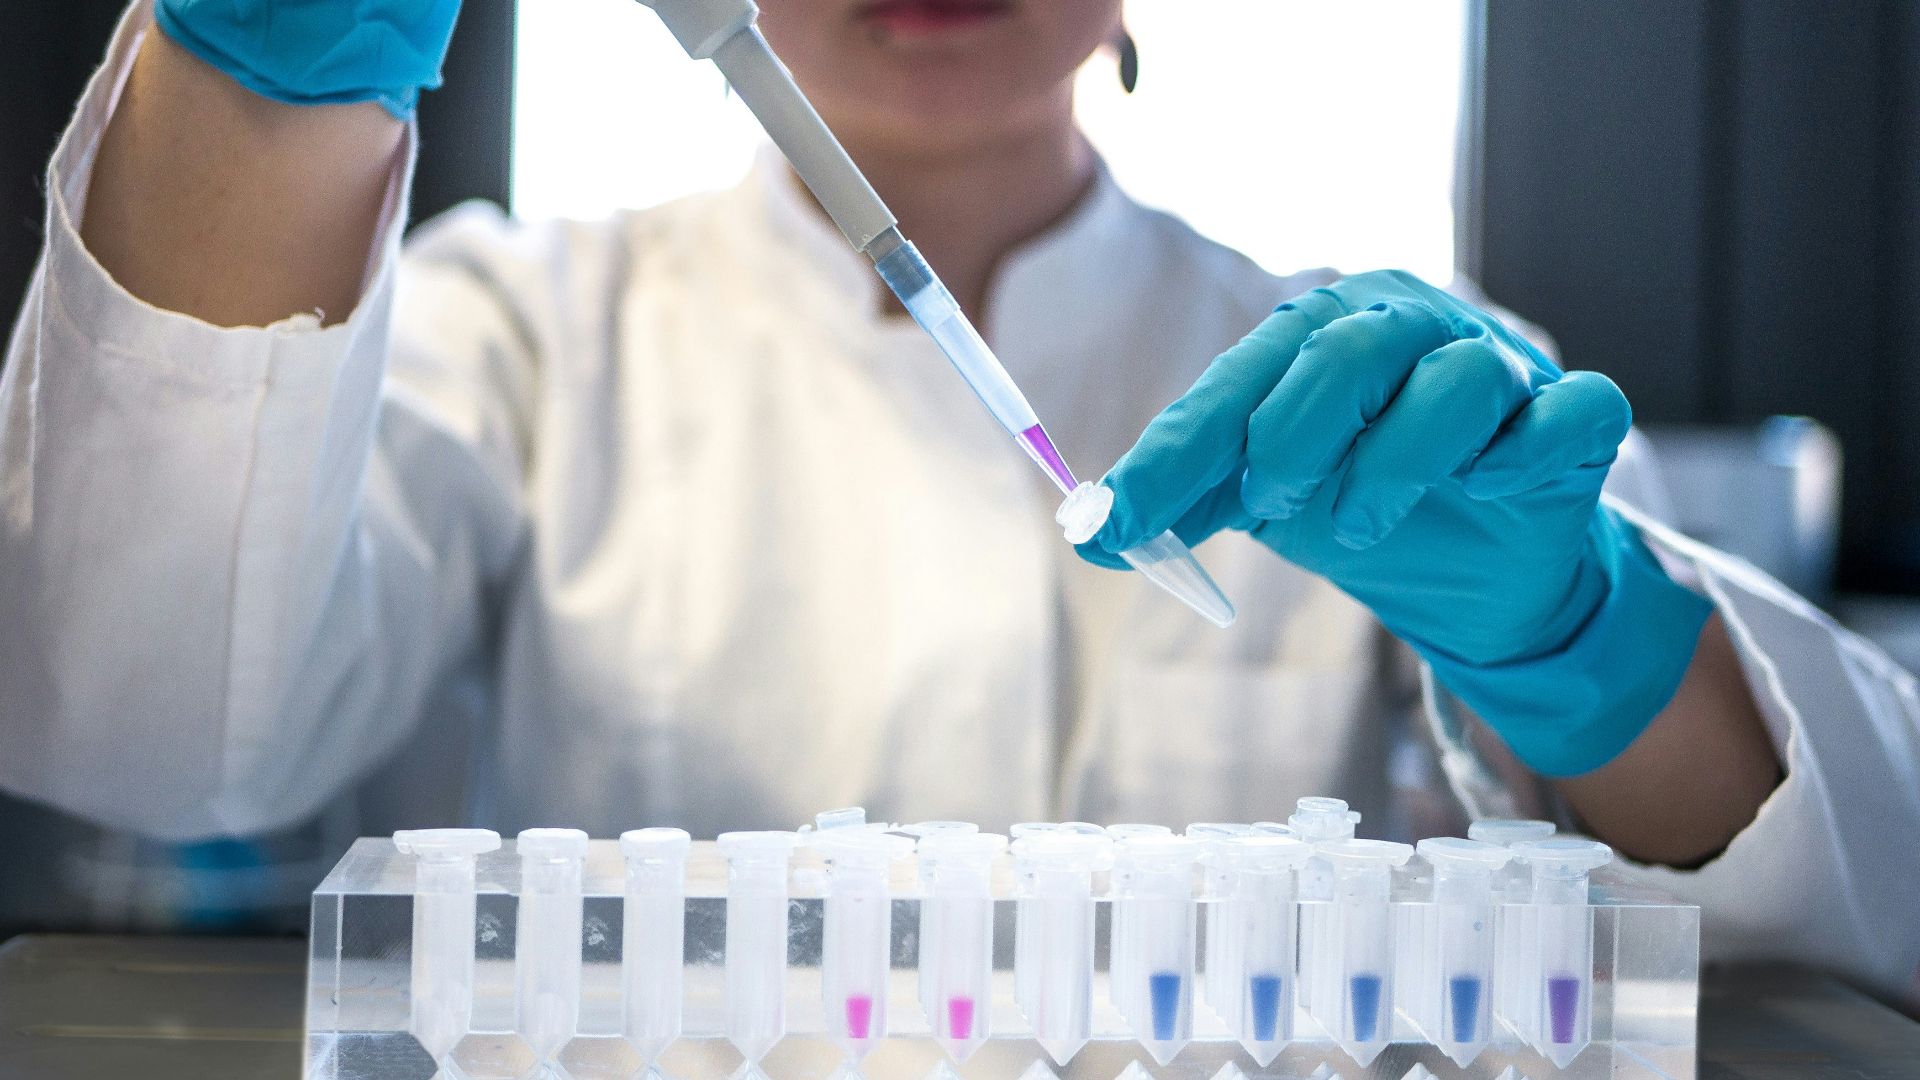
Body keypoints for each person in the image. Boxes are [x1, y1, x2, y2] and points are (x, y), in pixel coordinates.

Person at [1, 0, 1915, 1006]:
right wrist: (256, 86)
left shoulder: (1380, 387)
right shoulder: (520, 329)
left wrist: (1587, 645)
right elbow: (140, 730)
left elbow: (1842, 928)